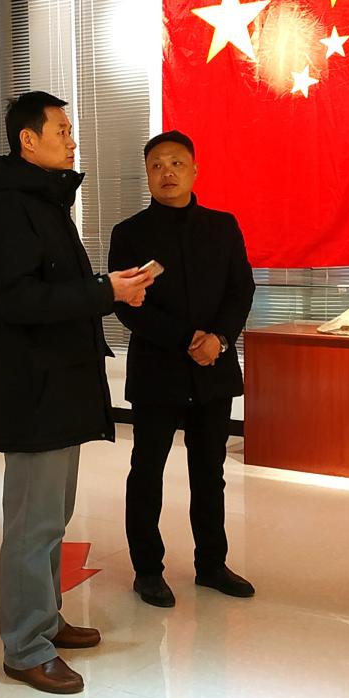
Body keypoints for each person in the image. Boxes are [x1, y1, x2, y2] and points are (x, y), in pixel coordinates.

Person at [0, 91, 153, 695]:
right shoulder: (9, 210)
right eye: (62, 131)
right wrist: (106, 292)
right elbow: (16, 300)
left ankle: (44, 620)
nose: (73, 141)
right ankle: (25, 647)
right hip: (34, 392)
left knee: (51, 519)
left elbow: (57, 290)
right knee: (32, 525)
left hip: (61, 386)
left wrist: (105, 288)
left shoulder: (44, 203)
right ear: (28, 140)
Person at [107, 130, 256, 608]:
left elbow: (241, 289)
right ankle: (148, 570)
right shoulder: (129, 234)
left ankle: (212, 564)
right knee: (147, 471)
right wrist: (186, 339)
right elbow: (127, 305)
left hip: (213, 369)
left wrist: (219, 339)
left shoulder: (222, 226)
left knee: (209, 472)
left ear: (194, 170)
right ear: (147, 175)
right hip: (158, 370)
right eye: (156, 165)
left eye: (175, 163)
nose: (166, 172)